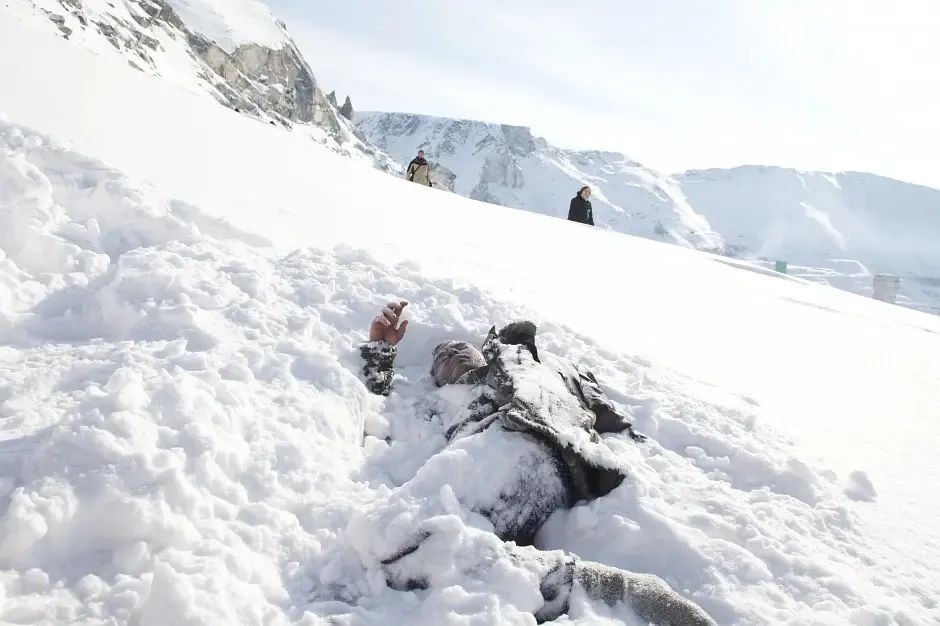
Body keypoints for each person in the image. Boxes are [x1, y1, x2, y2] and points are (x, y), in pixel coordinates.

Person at [356, 301, 715, 625]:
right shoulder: (448, 402)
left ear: (480, 353)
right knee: (393, 544)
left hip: (526, 448)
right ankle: (577, 584)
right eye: (442, 359)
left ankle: (588, 589)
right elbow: (383, 412)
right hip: (495, 461)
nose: (449, 356)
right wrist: (381, 351)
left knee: (394, 544)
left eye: (457, 348)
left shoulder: (539, 366)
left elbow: (608, 416)